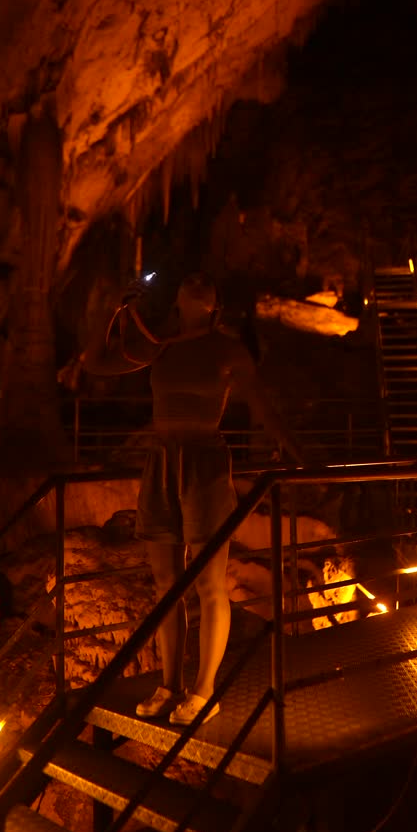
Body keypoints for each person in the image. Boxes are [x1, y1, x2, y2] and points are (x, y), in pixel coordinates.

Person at [81, 272, 302, 725]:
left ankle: (203, 691)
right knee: (167, 585)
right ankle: (170, 685)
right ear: (179, 298)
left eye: (206, 282)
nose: (198, 282)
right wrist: (111, 307)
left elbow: (262, 406)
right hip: (162, 460)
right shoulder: (160, 344)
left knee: (208, 582)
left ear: (214, 303)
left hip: (204, 462)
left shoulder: (227, 349)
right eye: (191, 279)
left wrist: (299, 455)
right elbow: (96, 363)